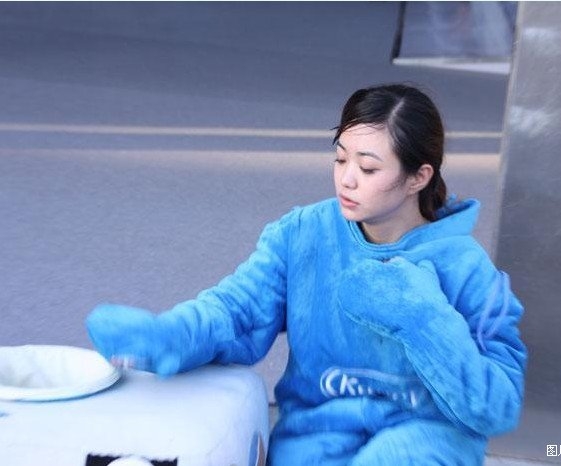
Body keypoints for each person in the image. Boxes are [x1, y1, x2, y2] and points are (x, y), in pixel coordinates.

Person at [86, 83, 527, 465]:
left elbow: (498, 404)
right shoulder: (303, 234)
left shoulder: (465, 267)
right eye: (340, 159)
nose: (347, 180)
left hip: (425, 441)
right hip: (316, 436)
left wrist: (420, 318)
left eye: (368, 168)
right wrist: (171, 336)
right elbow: (238, 311)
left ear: (418, 177)